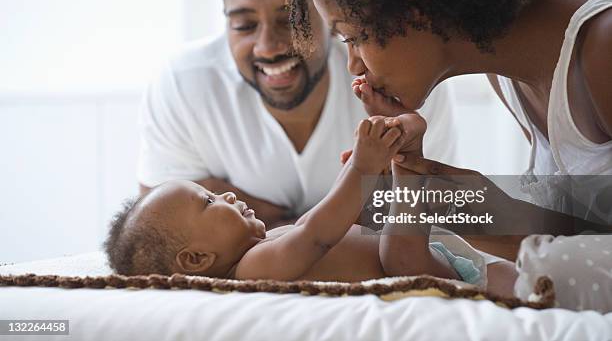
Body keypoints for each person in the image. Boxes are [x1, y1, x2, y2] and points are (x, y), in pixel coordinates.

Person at [282, 0, 612, 310]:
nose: (354, 65)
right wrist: (473, 205)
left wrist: (511, 224)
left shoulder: (604, 46)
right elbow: (581, 225)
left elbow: (567, 251)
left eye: (354, 37)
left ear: (415, 5)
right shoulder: (504, 62)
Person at [137, 0, 458, 228]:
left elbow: (451, 213)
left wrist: (237, 207)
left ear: (329, 15)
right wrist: (361, 205)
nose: (268, 46)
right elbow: (163, 226)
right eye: (244, 25)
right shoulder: (182, 84)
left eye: (291, 19)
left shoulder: (402, 79)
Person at [108, 118, 517, 297]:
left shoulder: (263, 246)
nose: (226, 196)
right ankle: (405, 174)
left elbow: (314, 221)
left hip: (430, 254)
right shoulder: (251, 271)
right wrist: (360, 167)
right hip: (410, 266)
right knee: (402, 257)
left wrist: (352, 186)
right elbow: (315, 234)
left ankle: (403, 173)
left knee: (525, 276)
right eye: (208, 201)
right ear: (197, 258)